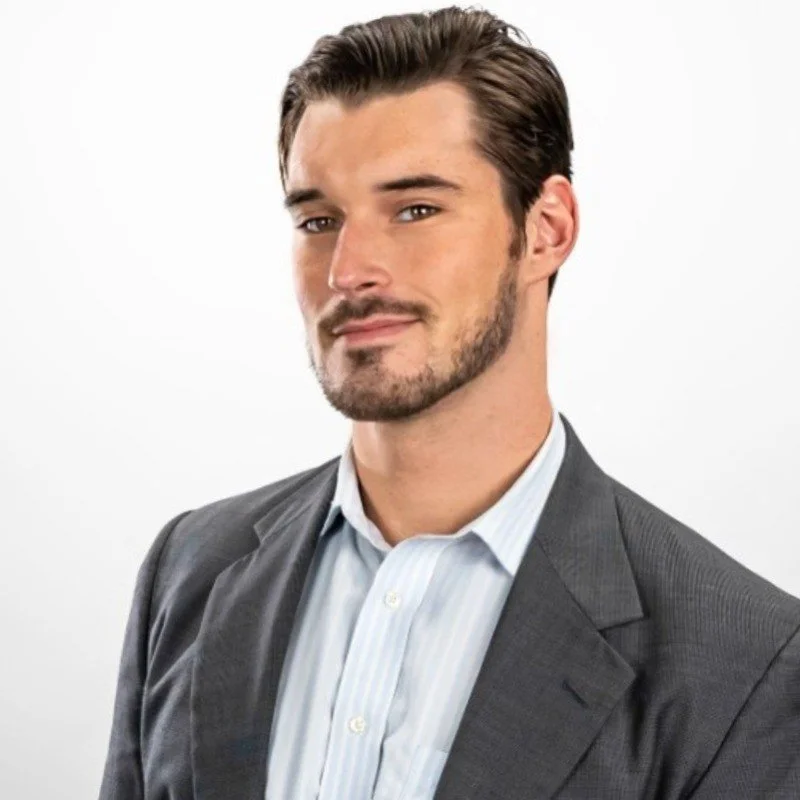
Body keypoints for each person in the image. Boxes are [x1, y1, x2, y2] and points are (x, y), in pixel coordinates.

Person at [99, 6, 800, 799]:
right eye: (319, 219)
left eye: (416, 209)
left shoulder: (745, 664)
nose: (348, 271)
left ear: (546, 230)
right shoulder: (192, 570)